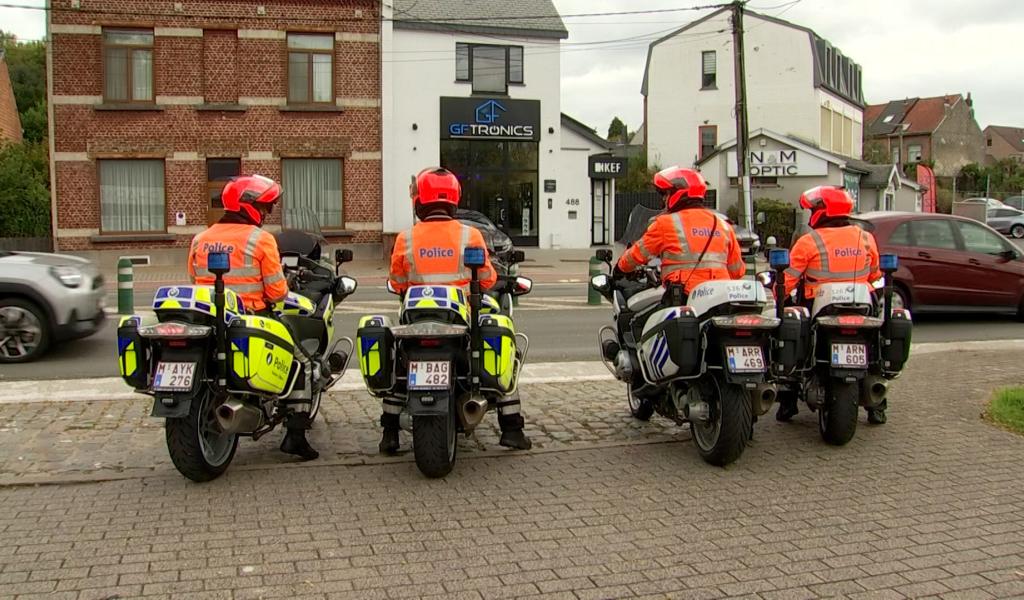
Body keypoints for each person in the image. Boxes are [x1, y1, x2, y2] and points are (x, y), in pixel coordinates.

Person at [380, 167, 532, 454]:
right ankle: (511, 428)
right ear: (453, 202)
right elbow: (485, 279)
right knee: (502, 349)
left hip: (417, 318)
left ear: (419, 202)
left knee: (400, 365)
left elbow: (397, 282)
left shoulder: (405, 238)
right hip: (460, 318)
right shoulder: (469, 235)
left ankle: (389, 433)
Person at [187, 174, 320, 461]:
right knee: (303, 364)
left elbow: (194, 279)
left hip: (209, 321)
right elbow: (277, 293)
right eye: (264, 206)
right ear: (248, 205)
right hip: (252, 320)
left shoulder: (200, 239)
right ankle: (295, 436)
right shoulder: (260, 240)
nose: (267, 212)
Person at [777, 185, 884, 424]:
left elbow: (788, 279)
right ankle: (877, 406)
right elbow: (875, 274)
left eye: (812, 210)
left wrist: (778, 296)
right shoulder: (866, 238)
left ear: (822, 211)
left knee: (798, 345)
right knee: (873, 349)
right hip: (862, 304)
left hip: (821, 307)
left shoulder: (809, 241)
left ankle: (788, 401)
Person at [615, 166, 745, 295]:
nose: (664, 199)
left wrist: (620, 268)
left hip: (685, 295)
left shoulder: (666, 223)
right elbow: (737, 271)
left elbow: (637, 254)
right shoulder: (723, 225)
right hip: (719, 296)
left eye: (666, 194)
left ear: (679, 193)